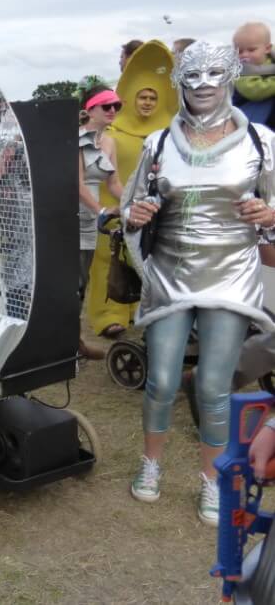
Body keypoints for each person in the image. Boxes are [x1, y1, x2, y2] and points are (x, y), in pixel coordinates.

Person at [122, 41, 275, 525]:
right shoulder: (159, 143)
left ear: (230, 76)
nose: (203, 84)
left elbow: (273, 211)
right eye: (192, 74)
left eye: (214, 73)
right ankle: (151, 465)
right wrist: (137, 214)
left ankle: (212, 480)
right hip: (170, 271)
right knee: (162, 380)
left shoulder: (261, 141)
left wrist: (268, 214)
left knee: (212, 384)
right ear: (179, 81)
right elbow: (131, 207)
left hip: (230, 272)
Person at [87, 41, 178, 338]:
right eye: (142, 96)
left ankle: (139, 309)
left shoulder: (167, 136)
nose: (148, 102)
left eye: (153, 97)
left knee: (144, 257)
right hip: (112, 203)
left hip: (148, 207)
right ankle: (107, 314)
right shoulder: (111, 134)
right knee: (108, 257)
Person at [76, 80, 124, 355]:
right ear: (91, 109)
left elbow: (113, 183)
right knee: (72, 281)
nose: (113, 110)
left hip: (92, 218)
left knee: (82, 279)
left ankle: (74, 342)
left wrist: (132, 203)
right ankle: (71, 343)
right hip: (72, 214)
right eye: (106, 106)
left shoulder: (109, 142)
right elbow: (77, 183)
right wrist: (101, 210)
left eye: (116, 105)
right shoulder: (76, 139)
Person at [233, 22, 275, 129]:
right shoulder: (241, 70)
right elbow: (255, 91)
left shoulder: (271, 60)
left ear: (267, 49)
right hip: (252, 117)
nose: (245, 55)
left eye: (251, 50)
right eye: (240, 51)